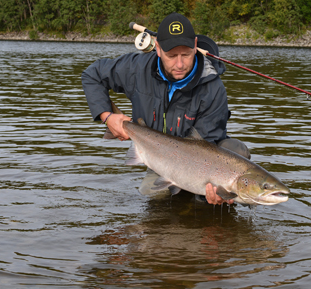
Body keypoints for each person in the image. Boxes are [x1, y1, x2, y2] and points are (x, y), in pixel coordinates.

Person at [81, 12, 249, 205]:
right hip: (159, 155)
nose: (179, 64)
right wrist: (108, 116)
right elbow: (92, 74)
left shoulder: (213, 88)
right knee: (153, 200)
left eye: (186, 54)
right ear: (158, 49)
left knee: (234, 152)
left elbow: (207, 144)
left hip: (199, 161)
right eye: (171, 56)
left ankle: (207, 202)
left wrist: (216, 188)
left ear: (195, 46)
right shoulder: (137, 69)